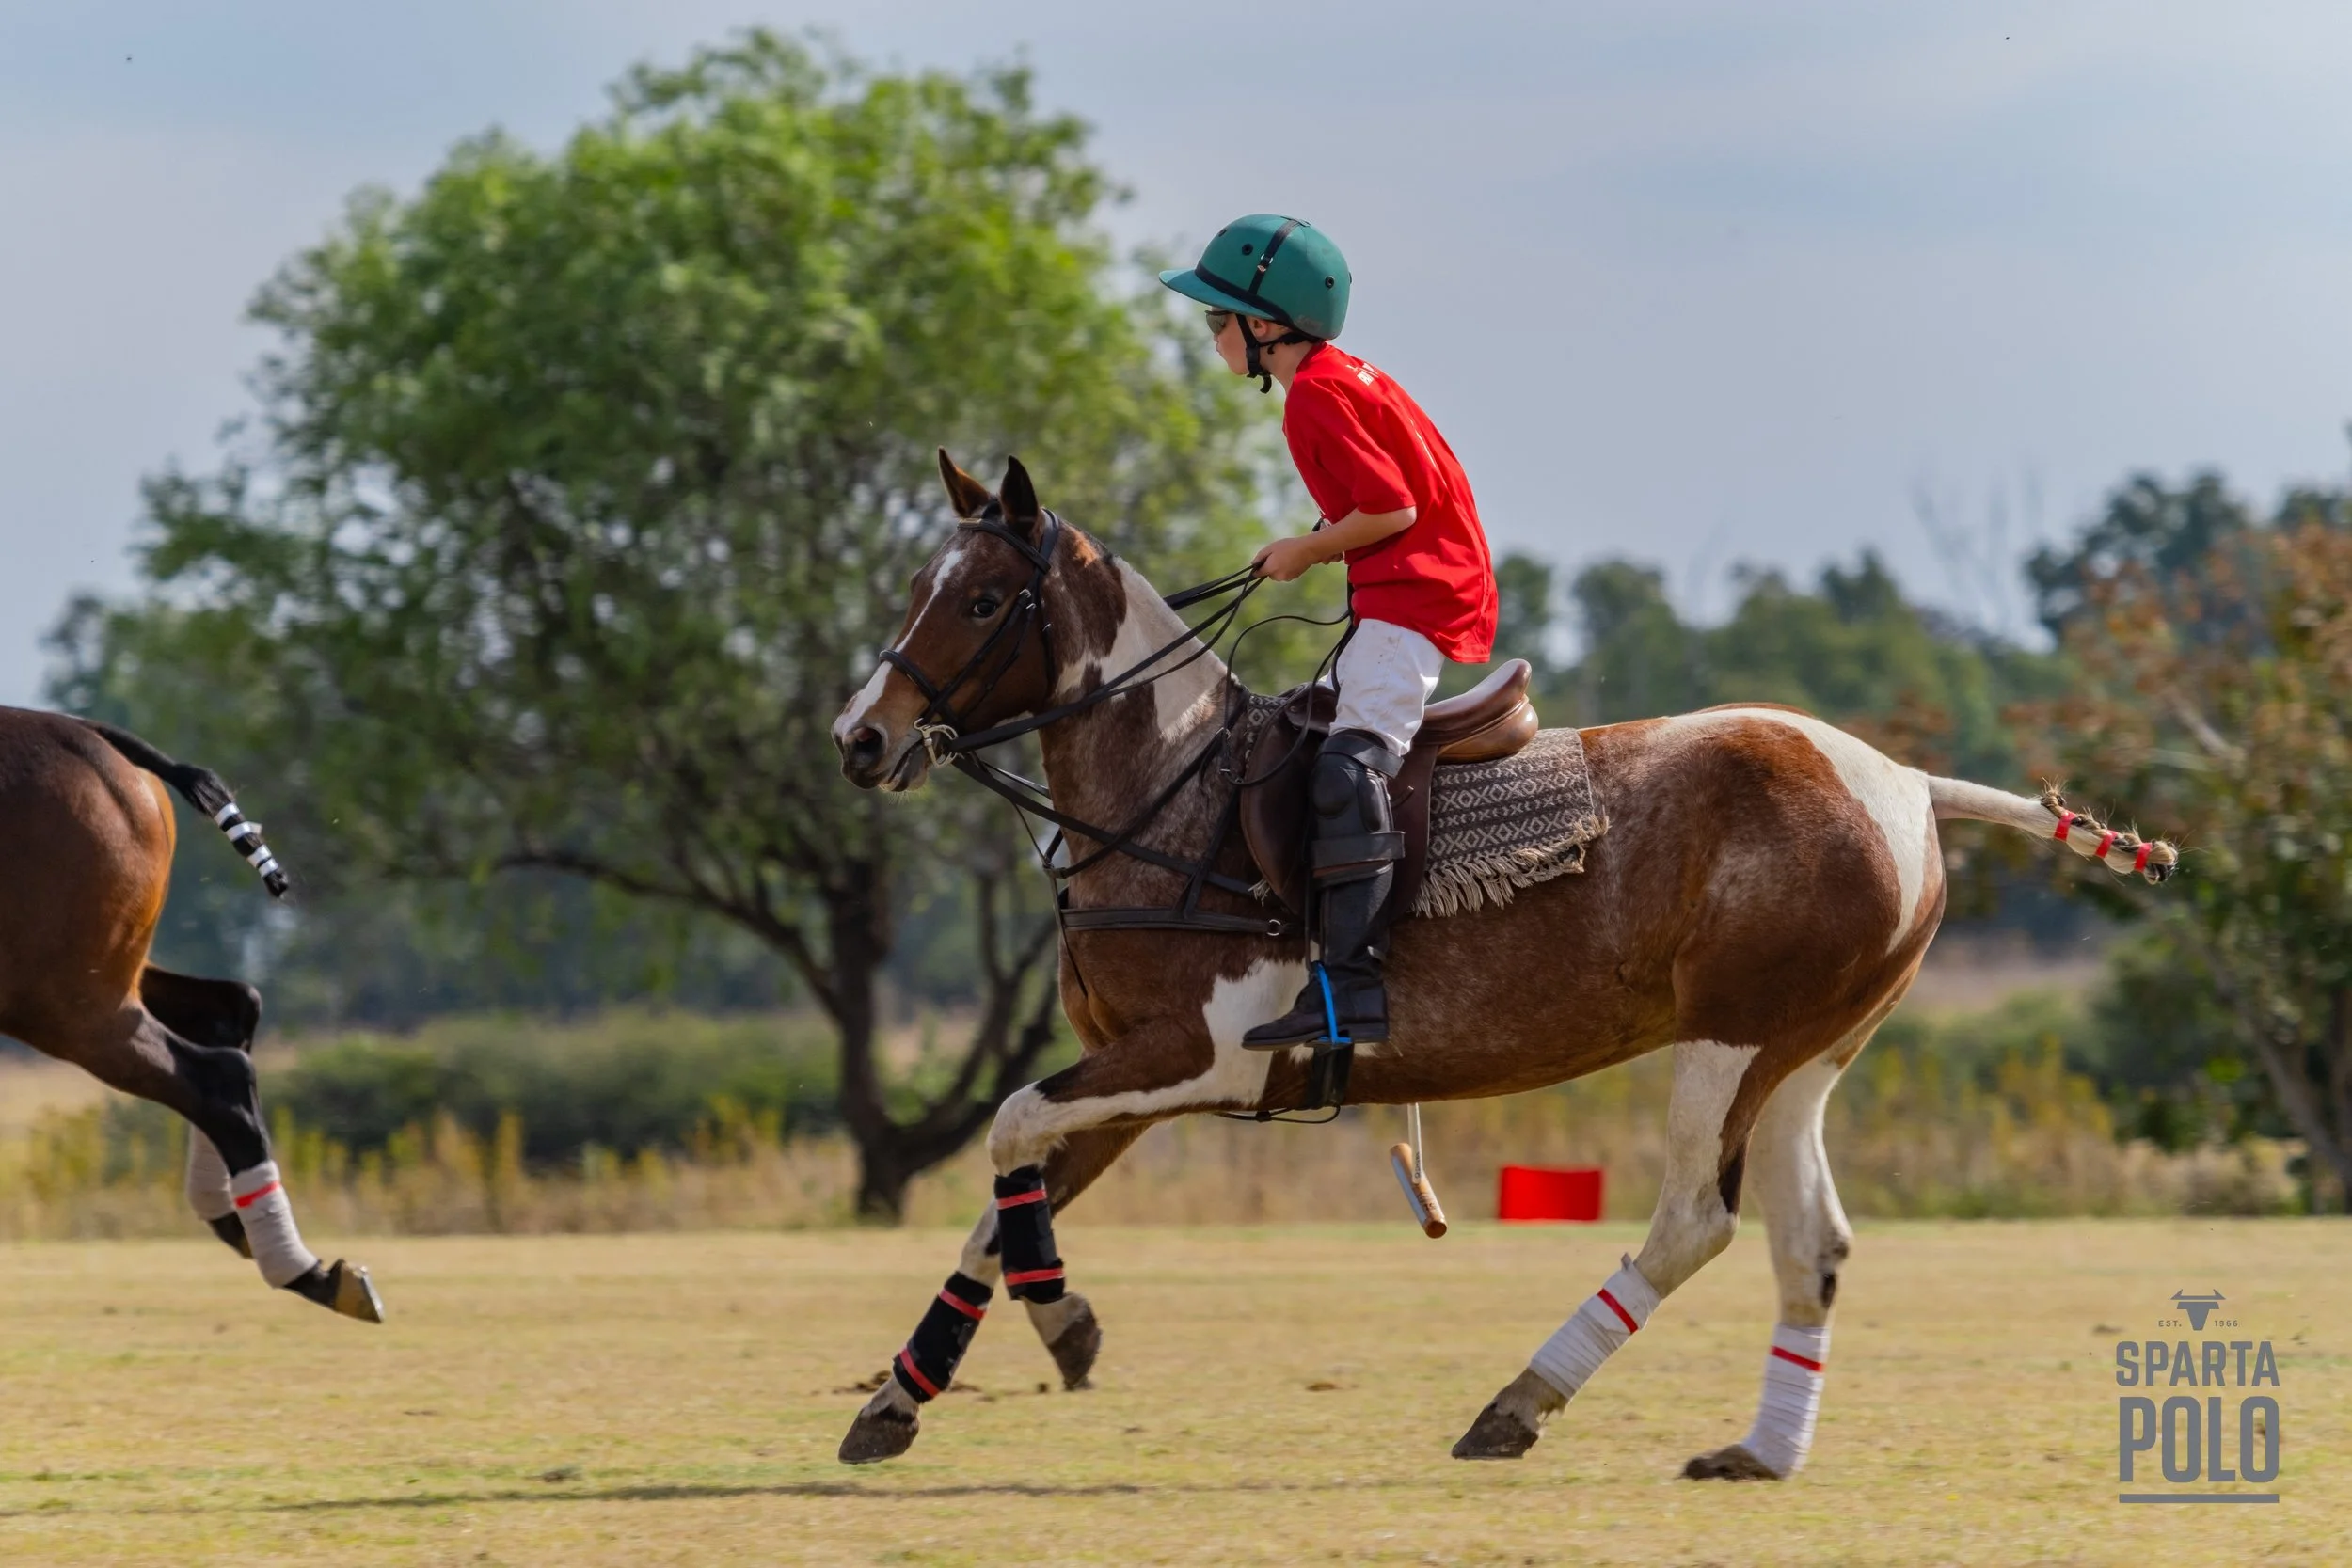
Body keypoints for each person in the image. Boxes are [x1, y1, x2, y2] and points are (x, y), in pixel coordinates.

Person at [1158, 214, 1498, 1050]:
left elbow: (1393, 509)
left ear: (1264, 325)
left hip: (1414, 595)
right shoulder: (1342, 377)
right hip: (1407, 589)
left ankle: (1347, 991)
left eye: (1217, 319)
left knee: (1348, 774)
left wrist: (1306, 549)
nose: (1212, 336)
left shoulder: (1313, 394)